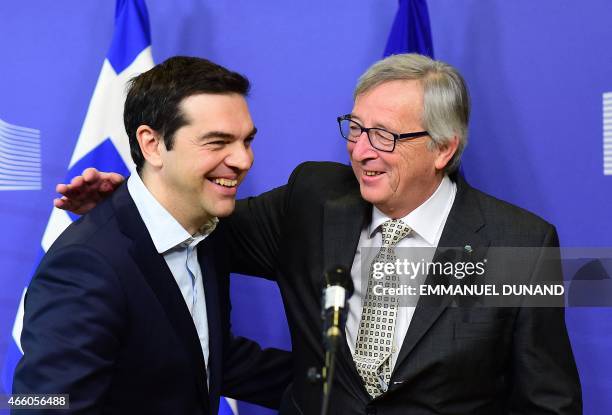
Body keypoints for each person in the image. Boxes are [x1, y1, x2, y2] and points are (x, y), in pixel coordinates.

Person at [56, 53, 582, 414]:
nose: (361, 150)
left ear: (444, 148)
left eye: (384, 135)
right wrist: (131, 201)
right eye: (354, 128)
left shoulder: (518, 244)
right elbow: (198, 223)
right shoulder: (314, 200)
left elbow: (547, 402)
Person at [14, 56, 291, 415]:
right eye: (217, 142)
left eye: (246, 141)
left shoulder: (205, 231)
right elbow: (40, 404)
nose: (243, 160)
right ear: (152, 144)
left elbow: (205, 356)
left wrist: (349, 391)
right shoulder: (86, 264)